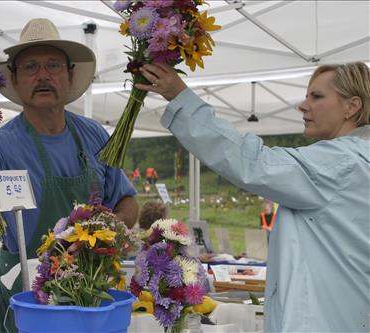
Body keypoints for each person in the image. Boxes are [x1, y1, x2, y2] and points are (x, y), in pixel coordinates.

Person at [0, 18, 138, 332]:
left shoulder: (94, 135)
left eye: (53, 65)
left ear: (70, 75)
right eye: (31, 66)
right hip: (27, 299)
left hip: (90, 291)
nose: (43, 75)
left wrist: (110, 230)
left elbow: (127, 199)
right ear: (16, 80)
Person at [136, 62, 369, 332]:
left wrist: (180, 97)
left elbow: (253, 162)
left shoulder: (340, 164)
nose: (303, 105)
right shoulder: (356, 160)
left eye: (316, 96)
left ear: (352, 106)